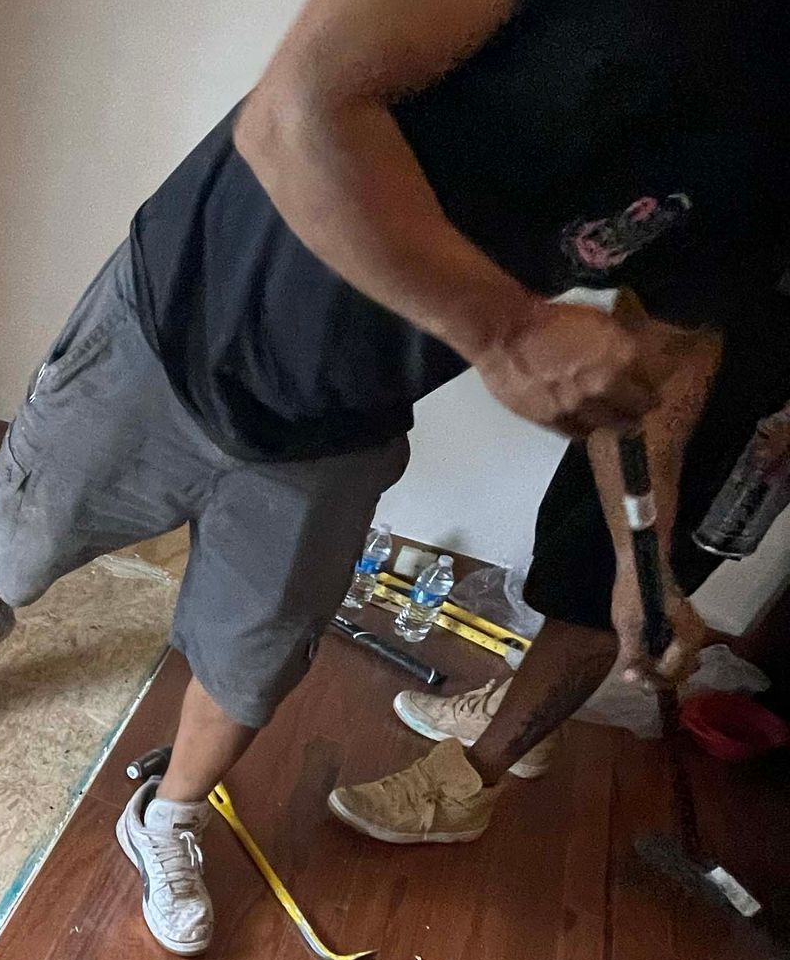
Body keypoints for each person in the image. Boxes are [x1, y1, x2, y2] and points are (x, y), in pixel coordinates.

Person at [0, 0, 790, 955]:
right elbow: (298, 109)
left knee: (253, 662)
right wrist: (504, 327)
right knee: (24, 540)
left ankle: (171, 812)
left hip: (347, 418)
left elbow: (653, 365)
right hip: (177, 317)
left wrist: (641, 581)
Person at [329, 299, 790, 839]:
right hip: (666, 372)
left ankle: (466, 789)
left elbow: (665, 395)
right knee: (567, 554)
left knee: (603, 602)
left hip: (742, 421)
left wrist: (644, 567)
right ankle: (523, 715)